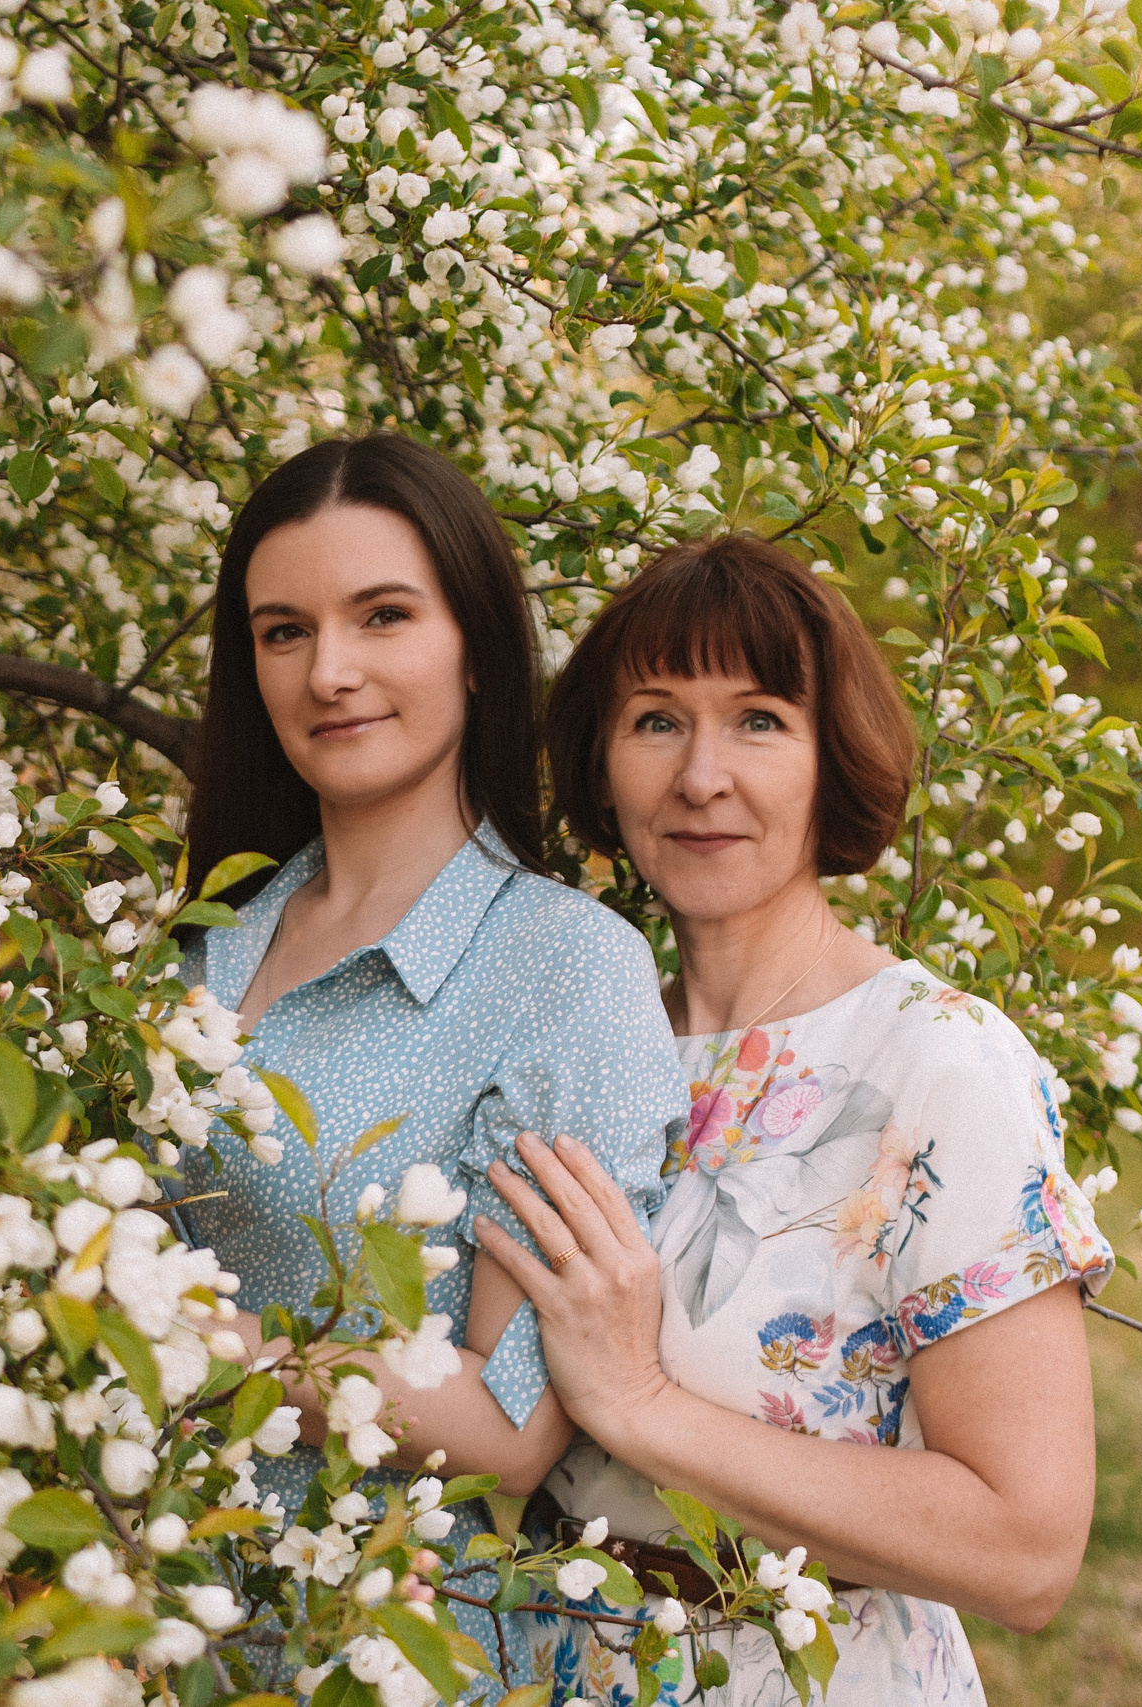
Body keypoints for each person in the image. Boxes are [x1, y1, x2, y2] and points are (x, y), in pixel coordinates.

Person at [476, 533, 1116, 1707]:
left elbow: (1024, 1551)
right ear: (603, 767)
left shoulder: (935, 1063)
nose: (700, 777)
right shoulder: (584, 1045)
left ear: (833, 761)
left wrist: (641, 1408)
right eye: (656, 721)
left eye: (759, 721)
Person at [176, 434, 689, 1686]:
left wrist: (166, 1334)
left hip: (397, 1654)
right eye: (284, 632)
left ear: (475, 646)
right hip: (142, 1623)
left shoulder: (564, 970)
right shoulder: (197, 948)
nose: (329, 671)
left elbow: (508, 1425)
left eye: (383, 616)